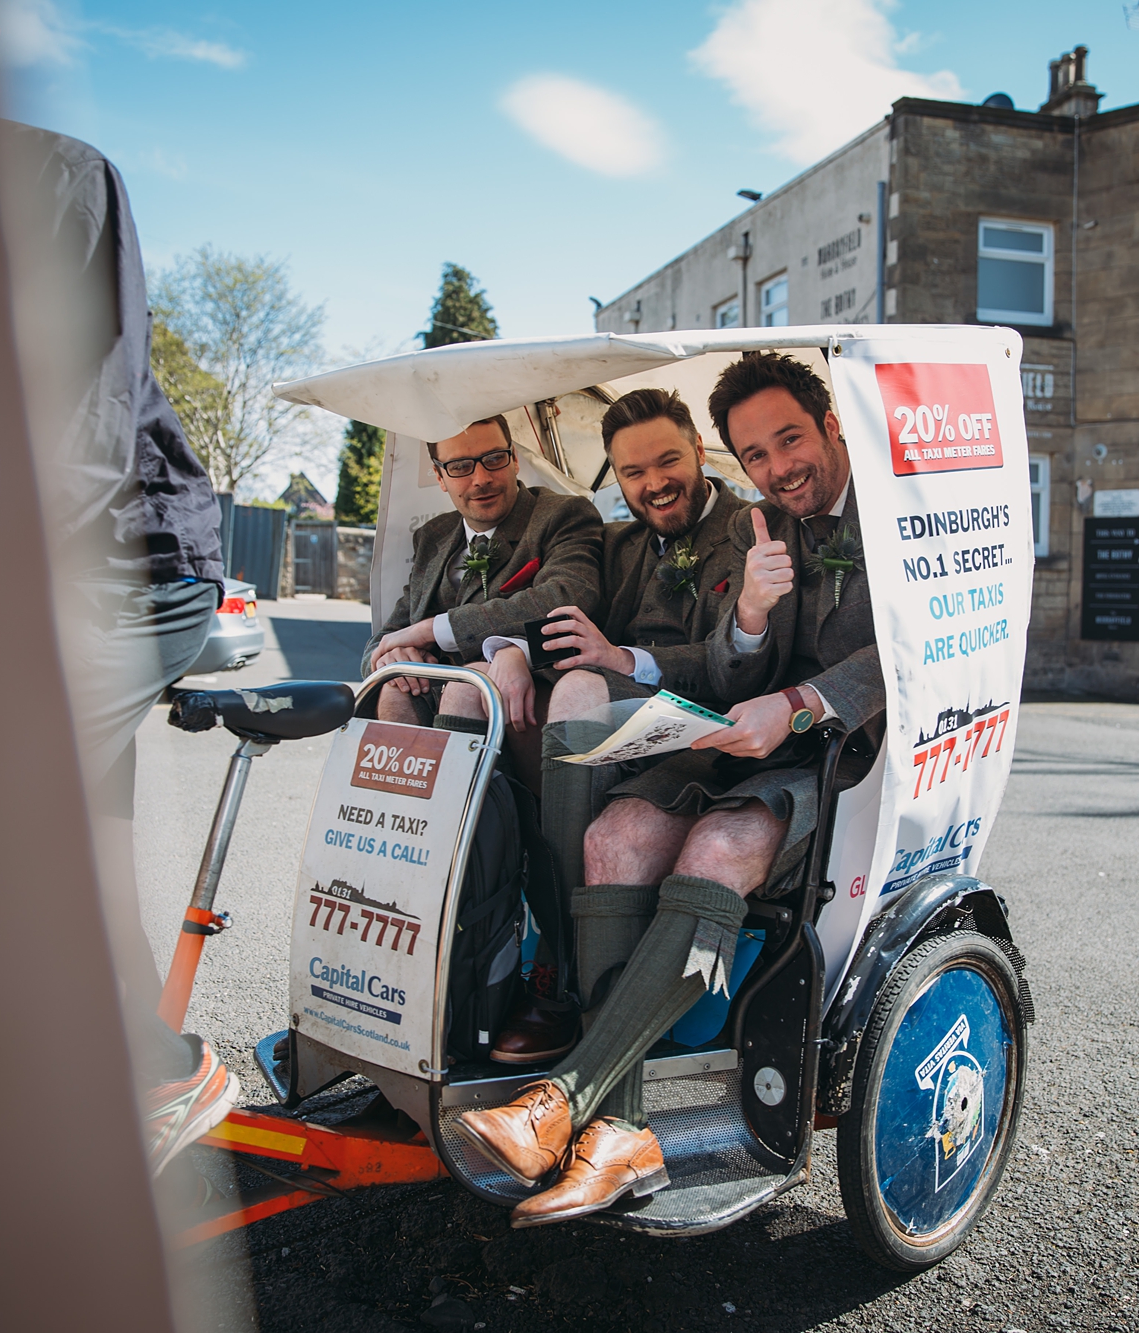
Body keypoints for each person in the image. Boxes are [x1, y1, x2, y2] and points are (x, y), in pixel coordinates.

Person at [456, 352, 881, 1225]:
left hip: (838, 754)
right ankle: (632, 1132)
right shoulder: (768, 522)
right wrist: (754, 616)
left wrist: (800, 704)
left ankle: (568, 1100)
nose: (778, 465)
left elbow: (914, 653)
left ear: (833, 425)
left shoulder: (893, 514)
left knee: (715, 849)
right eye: (757, 454)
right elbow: (734, 663)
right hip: (735, 739)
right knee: (613, 841)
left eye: (790, 439)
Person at [0, 1, 237, 1174]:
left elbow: (83, 417)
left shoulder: (53, 176)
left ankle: (154, 1071)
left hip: (132, 567)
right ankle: (142, 1066)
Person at [480, 388, 750, 1066]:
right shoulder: (621, 540)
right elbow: (562, 605)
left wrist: (623, 659)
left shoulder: (749, 531)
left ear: (697, 447)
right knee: (490, 702)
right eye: (633, 472)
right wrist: (510, 652)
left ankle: (563, 980)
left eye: (666, 461)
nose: (654, 484)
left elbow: (735, 670)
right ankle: (475, 961)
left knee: (576, 688)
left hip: (709, 729)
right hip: (616, 720)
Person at [360, 415, 603, 766]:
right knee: (394, 691)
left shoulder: (562, 515)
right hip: (435, 696)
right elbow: (387, 635)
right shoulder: (433, 536)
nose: (481, 479)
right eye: (460, 467)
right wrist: (387, 658)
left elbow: (567, 596)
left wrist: (434, 630)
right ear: (440, 477)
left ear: (515, 459)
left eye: (493, 459)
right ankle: (417, 814)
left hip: (529, 696)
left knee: (467, 688)